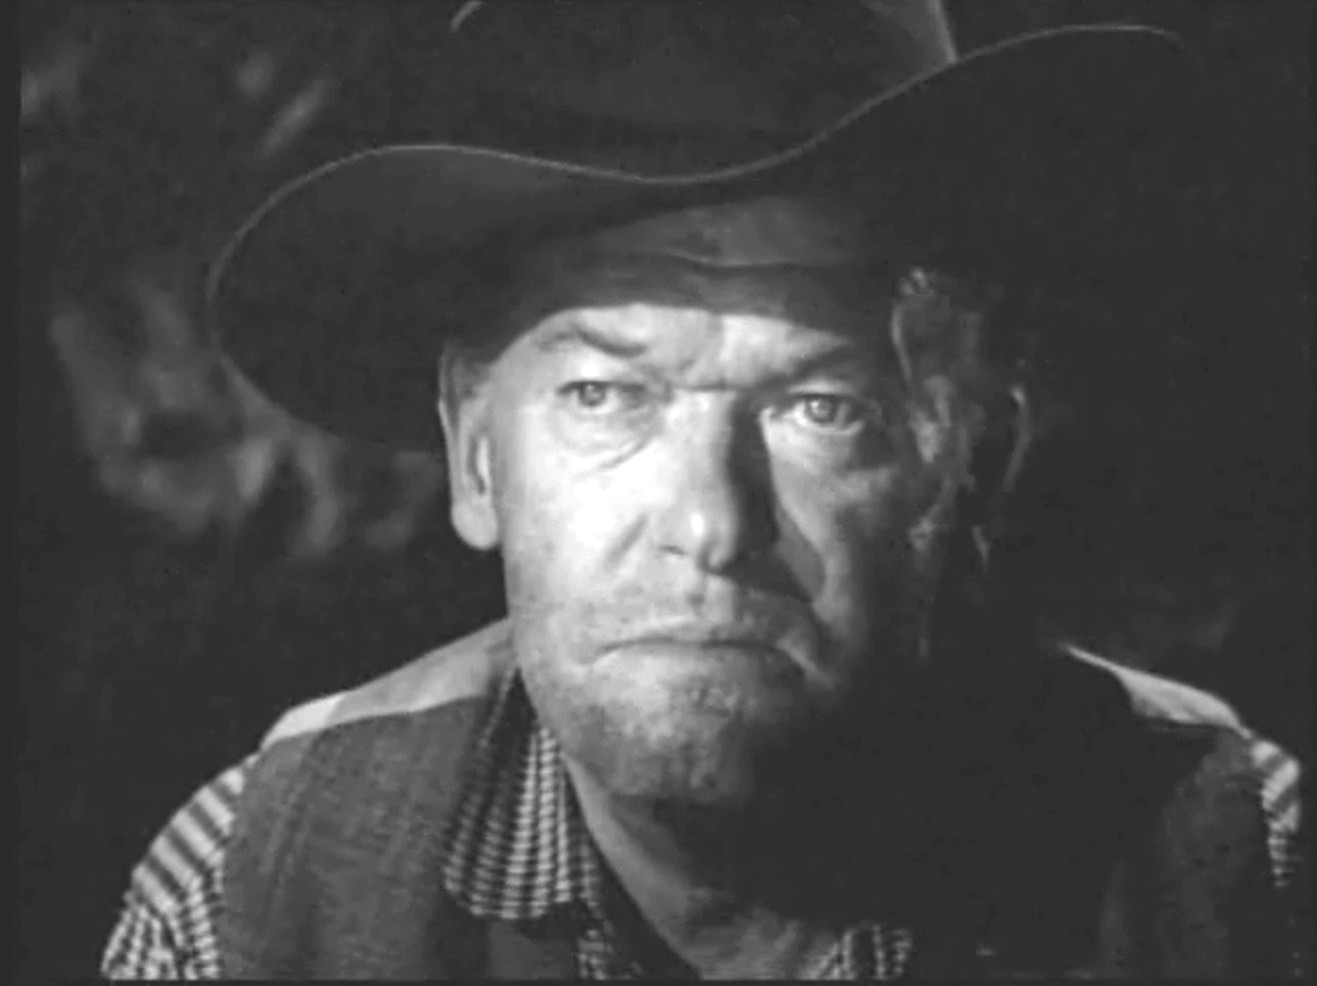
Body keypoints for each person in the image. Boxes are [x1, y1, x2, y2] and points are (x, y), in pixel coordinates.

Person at [102, 1, 1306, 979]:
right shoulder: (252, 891)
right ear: (476, 452)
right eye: (604, 396)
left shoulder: (1245, 865)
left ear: (972, 461)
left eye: (820, 408)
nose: (711, 525)